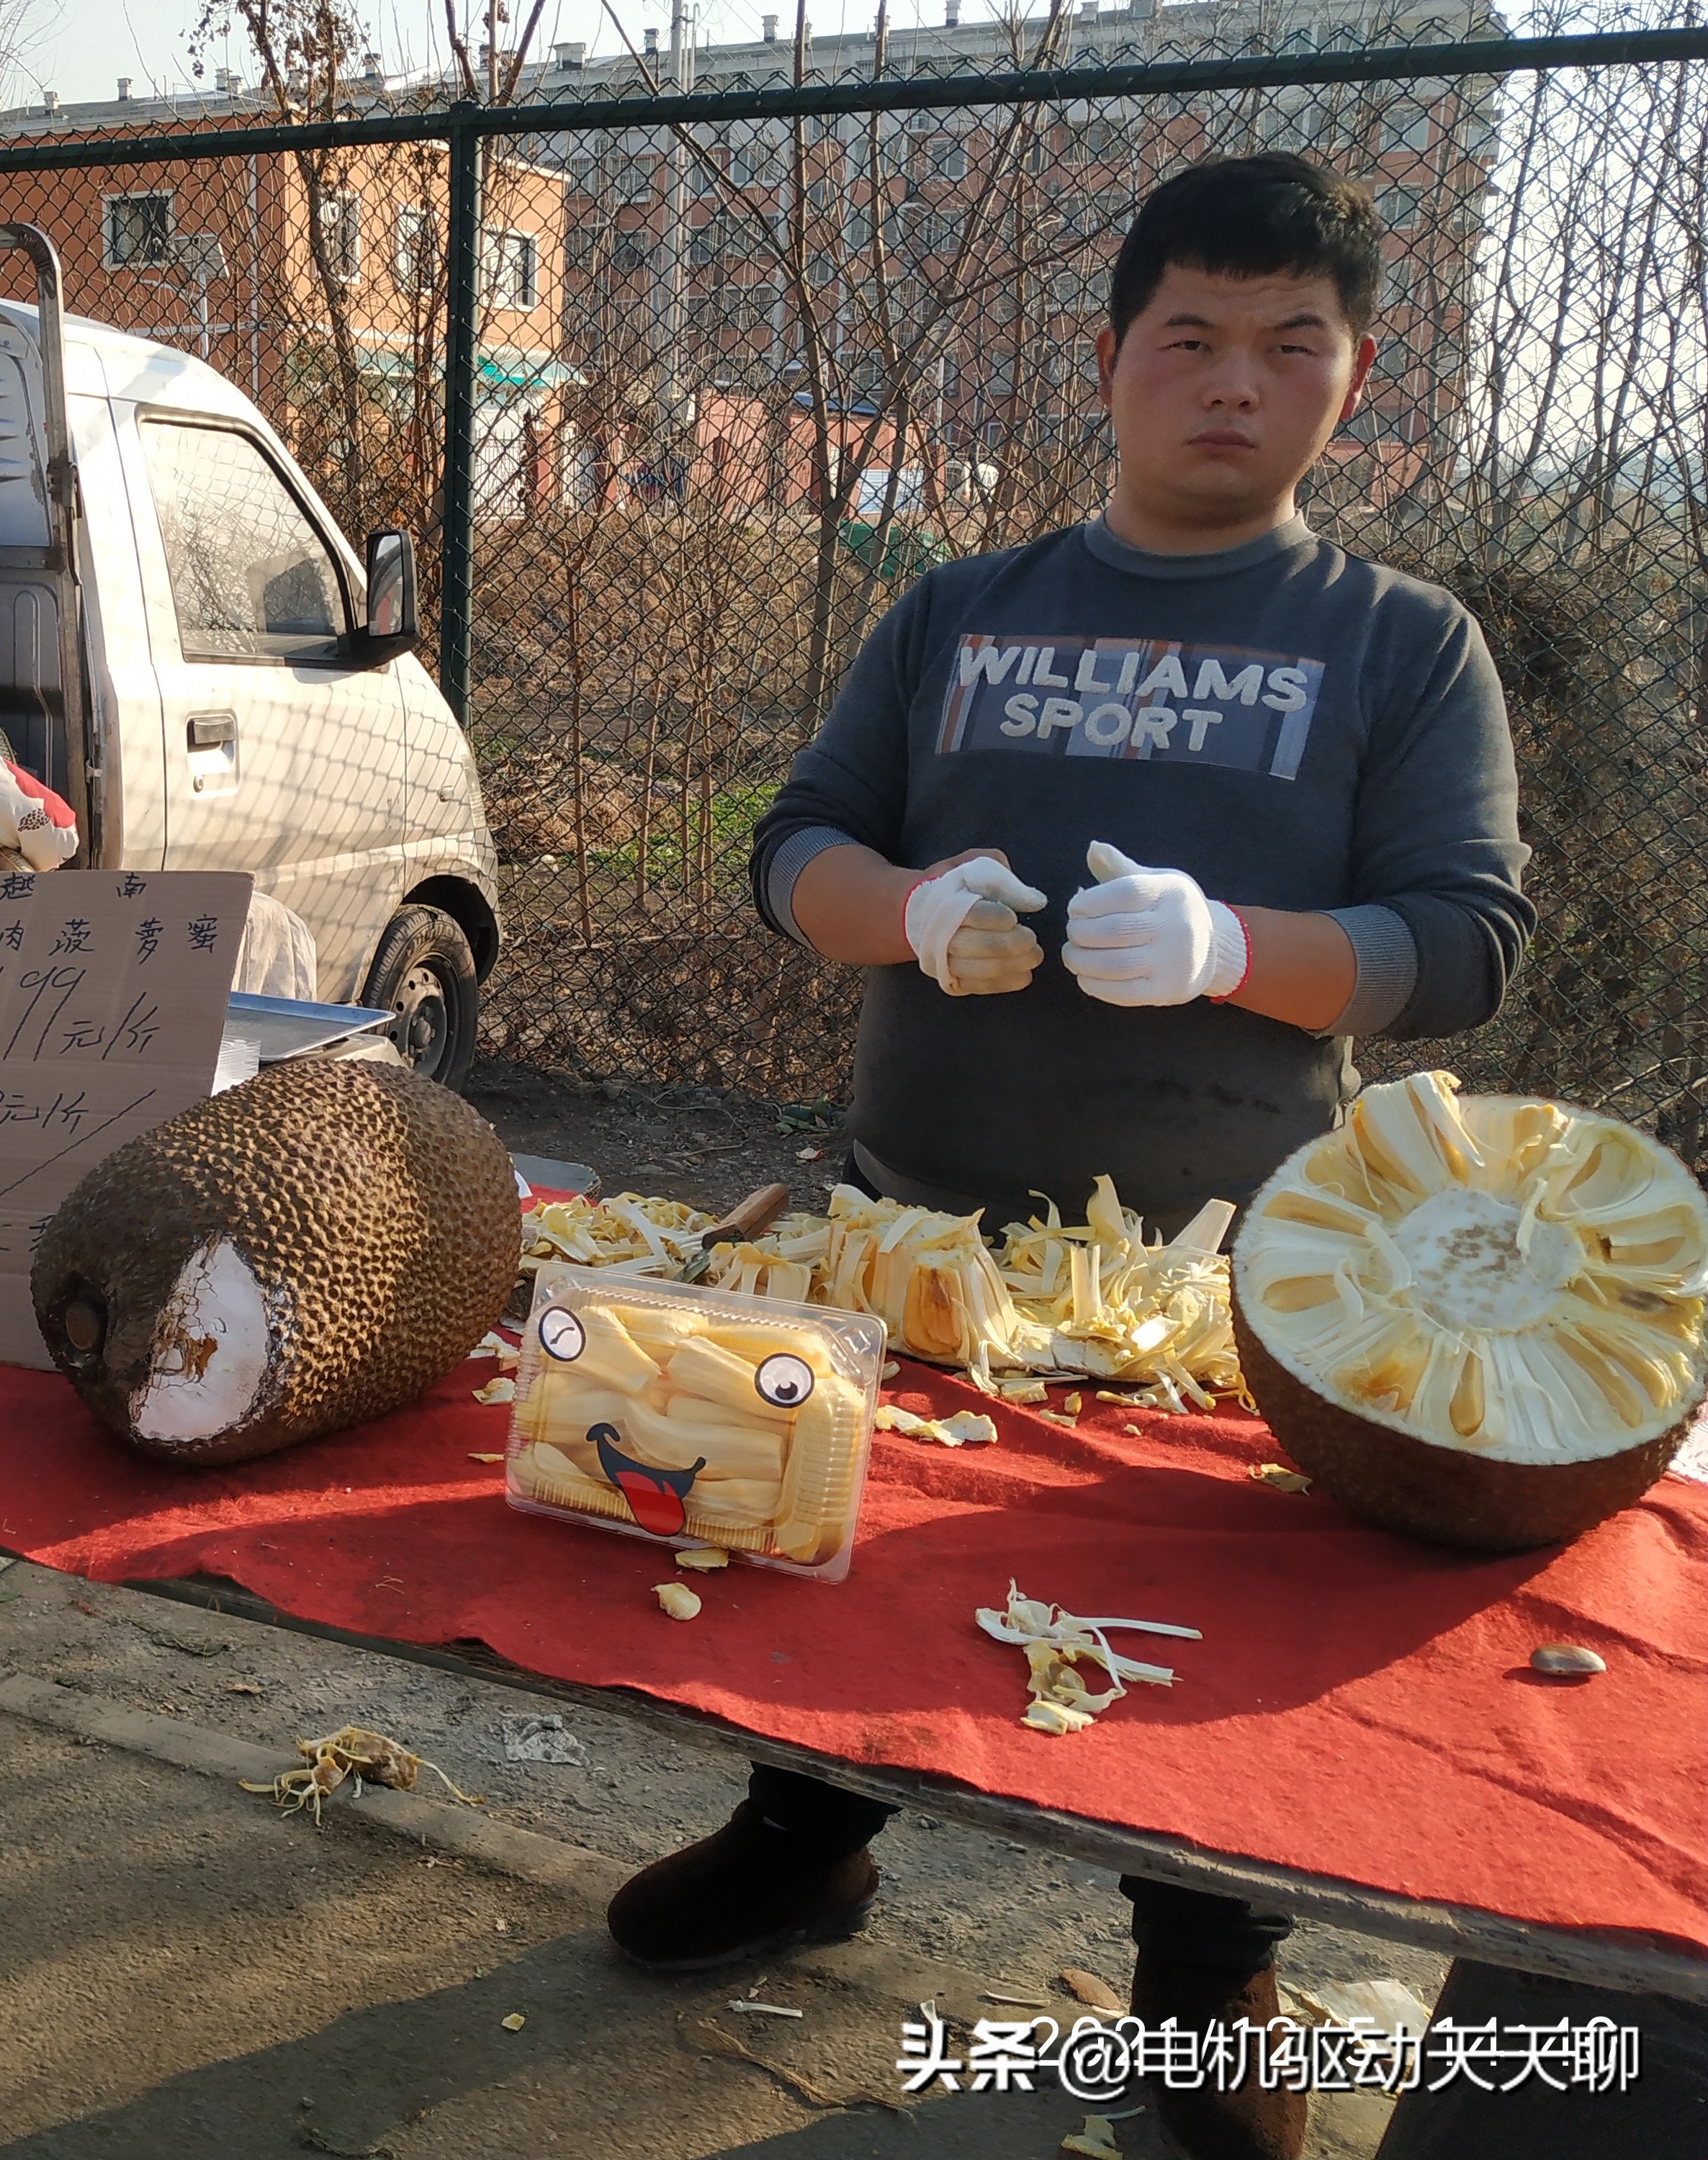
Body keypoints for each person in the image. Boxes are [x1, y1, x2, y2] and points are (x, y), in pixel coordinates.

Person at [606, 156, 1531, 2160]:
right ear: (1108, 361)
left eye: (1292, 346)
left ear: (1348, 386)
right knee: (830, 1571)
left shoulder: (1402, 646)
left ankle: (1208, 1990)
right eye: (1188, 336)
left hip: (1222, 1281)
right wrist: (912, 909)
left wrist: (1233, 956)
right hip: (908, 1222)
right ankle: (801, 1843)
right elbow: (796, 848)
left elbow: (1462, 948)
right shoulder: (960, 610)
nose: (1233, 382)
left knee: (1188, 1634)